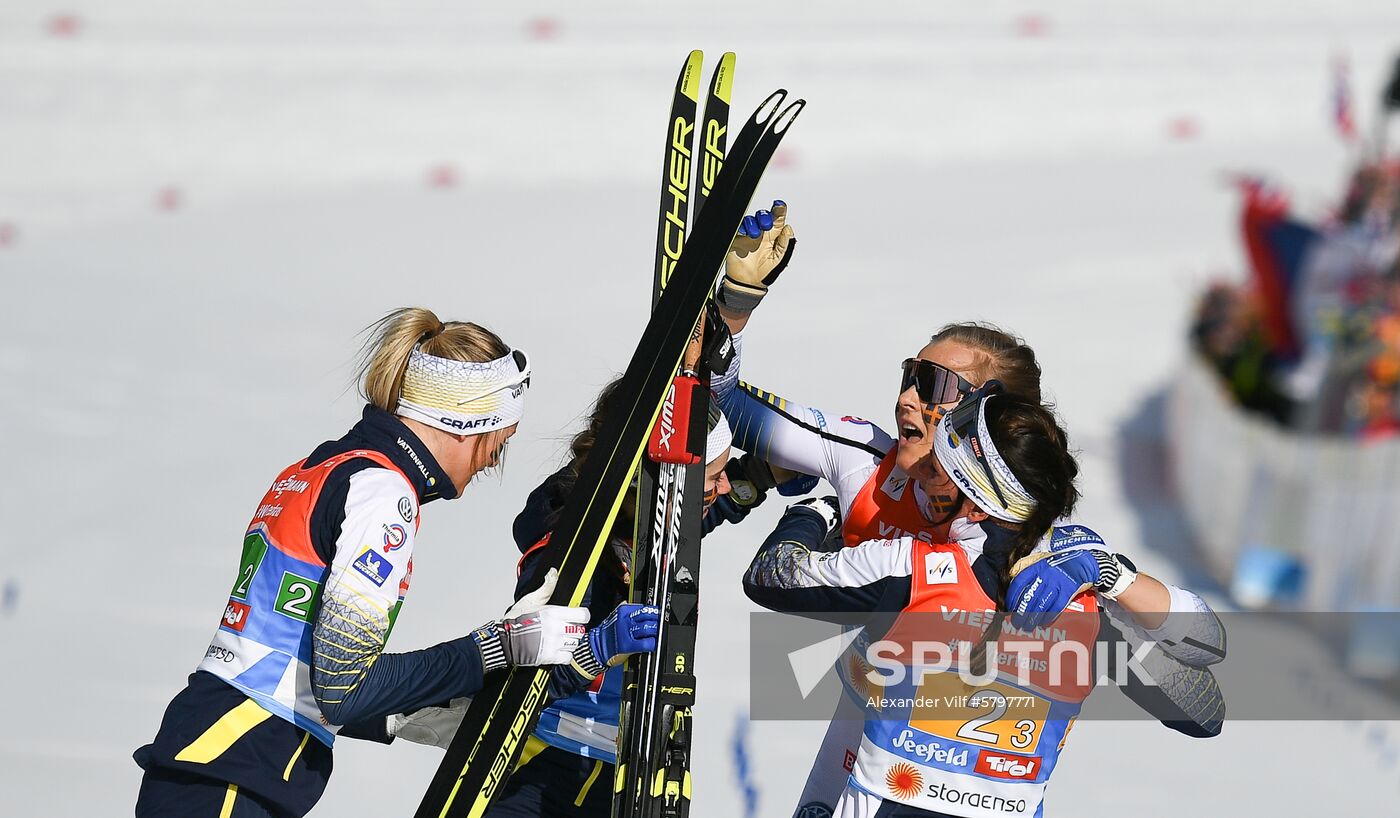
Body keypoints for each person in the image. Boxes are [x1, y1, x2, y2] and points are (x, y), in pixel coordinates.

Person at [715, 204, 1226, 816]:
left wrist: (1108, 576)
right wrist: (733, 309)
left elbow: (1200, 689)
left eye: (930, 383)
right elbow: (721, 405)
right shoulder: (863, 459)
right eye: (909, 373)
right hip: (871, 727)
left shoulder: (1045, 558)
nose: (906, 395)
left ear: (987, 412)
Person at [133, 308, 659, 818]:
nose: (491, 464)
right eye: (496, 446)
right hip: (235, 772)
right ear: (465, 423)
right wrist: (499, 648)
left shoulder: (324, 466)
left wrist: (463, 697)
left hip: (225, 759)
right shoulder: (384, 494)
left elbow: (290, 663)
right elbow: (343, 689)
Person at [744, 386, 1225, 818]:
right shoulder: (1079, 604)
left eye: (942, 471)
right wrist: (1112, 576)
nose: (927, 480)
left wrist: (815, 512)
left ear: (975, 500)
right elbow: (1205, 710)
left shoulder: (912, 569)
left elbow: (768, 577)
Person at [389, 376, 808, 817]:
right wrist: (598, 648)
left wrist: (762, 476)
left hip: (620, 771)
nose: (722, 487)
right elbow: (522, 672)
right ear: (662, 476)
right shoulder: (571, 551)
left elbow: (689, 520)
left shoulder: (646, 523)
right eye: (715, 476)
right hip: (538, 765)